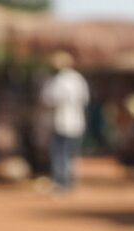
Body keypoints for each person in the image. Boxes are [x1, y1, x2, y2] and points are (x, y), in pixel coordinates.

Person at [40, 51, 89, 193]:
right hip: (76, 122)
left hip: (61, 123)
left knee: (60, 154)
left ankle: (62, 183)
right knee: (72, 154)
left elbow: (48, 100)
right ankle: (70, 181)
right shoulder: (78, 79)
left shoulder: (58, 80)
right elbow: (85, 100)